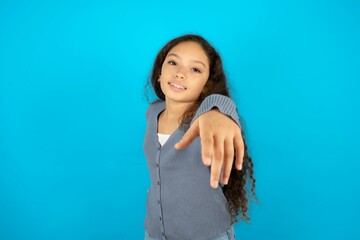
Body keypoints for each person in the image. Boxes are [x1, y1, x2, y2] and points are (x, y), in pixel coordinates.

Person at [143, 34, 256, 240]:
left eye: (195, 69)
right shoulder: (152, 112)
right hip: (154, 233)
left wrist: (217, 110)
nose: (180, 73)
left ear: (206, 85)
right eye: (173, 62)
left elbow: (221, 108)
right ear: (160, 73)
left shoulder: (209, 118)